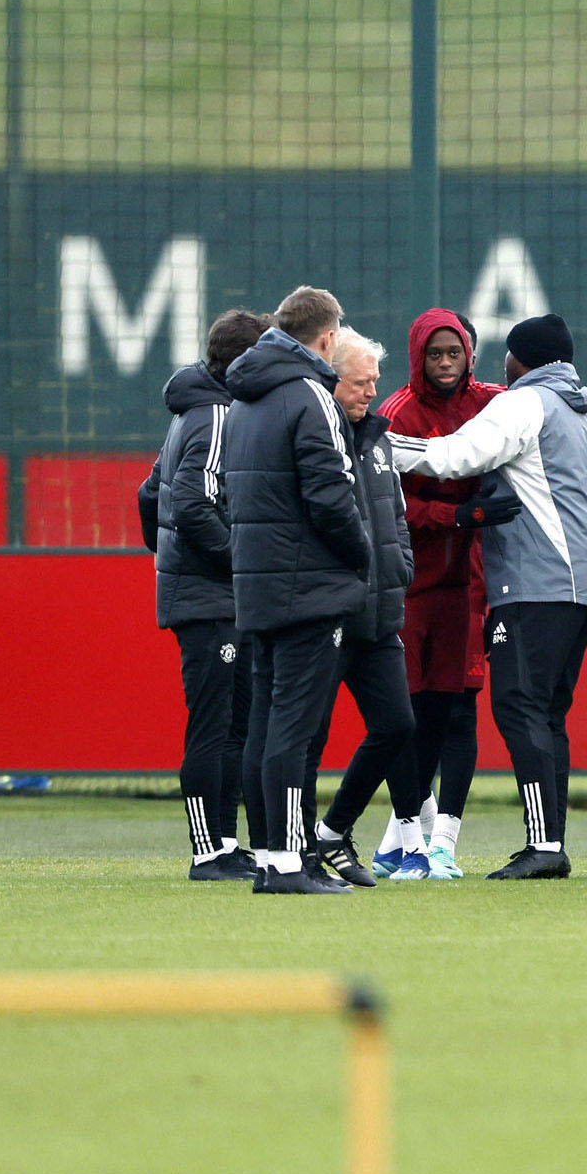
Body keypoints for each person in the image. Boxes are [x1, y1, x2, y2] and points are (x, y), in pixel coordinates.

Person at [384, 310, 587, 879]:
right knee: (549, 713)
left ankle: (543, 847)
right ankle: (551, 841)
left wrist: (371, 443)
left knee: (518, 705)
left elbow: (449, 458)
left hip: (537, 582)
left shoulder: (521, 402)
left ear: (520, 359)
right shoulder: (579, 407)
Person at [221, 287, 370, 895]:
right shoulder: (312, 394)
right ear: (328, 338)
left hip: (256, 581)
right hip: (308, 584)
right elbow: (331, 494)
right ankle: (286, 862)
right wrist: (360, 556)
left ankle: (267, 857)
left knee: (263, 727)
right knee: (293, 729)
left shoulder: (244, 397)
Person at [139, 306, 269, 879]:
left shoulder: (197, 411)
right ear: (243, 362)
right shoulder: (216, 415)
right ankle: (206, 852)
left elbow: (151, 494)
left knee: (233, 724)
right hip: (211, 596)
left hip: (209, 591)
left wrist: (168, 555)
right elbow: (190, 503)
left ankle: (222, 841)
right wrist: (235, 563)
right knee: (214, 725)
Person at [373, 309, 498, 882]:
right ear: (417, 356)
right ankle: (406, 836)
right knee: (410, 715)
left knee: (460, 711)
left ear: (470, 354)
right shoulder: (396, 413)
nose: (447, 365)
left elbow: (540, 405)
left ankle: (441, 842)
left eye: (456, 353)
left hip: (466, 585)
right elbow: (386, 499)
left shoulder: (490, 401)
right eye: (436, 355)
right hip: (410, 585)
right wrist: (458, 513)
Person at [304, 329, 419, 886]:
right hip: (326, 614)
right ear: (332, 379)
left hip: (377, 616)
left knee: (397, 725)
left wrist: (400, 568)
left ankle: (330, 833)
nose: (371, 392)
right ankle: (297, 845)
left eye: (375, 380)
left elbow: (394, 515)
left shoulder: (379, 439)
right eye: (360, 381)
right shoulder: (311, 434)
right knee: (307, 734)